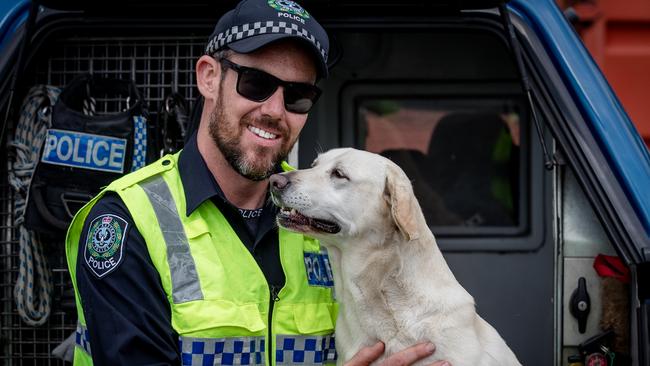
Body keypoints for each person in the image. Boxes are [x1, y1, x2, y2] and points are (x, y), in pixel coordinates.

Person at [65, 0, 451, 365]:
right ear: (209, 77)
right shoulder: (128, 222)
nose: (274, 111)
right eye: (254, 83)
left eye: (298, 95)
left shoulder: (330, 226)